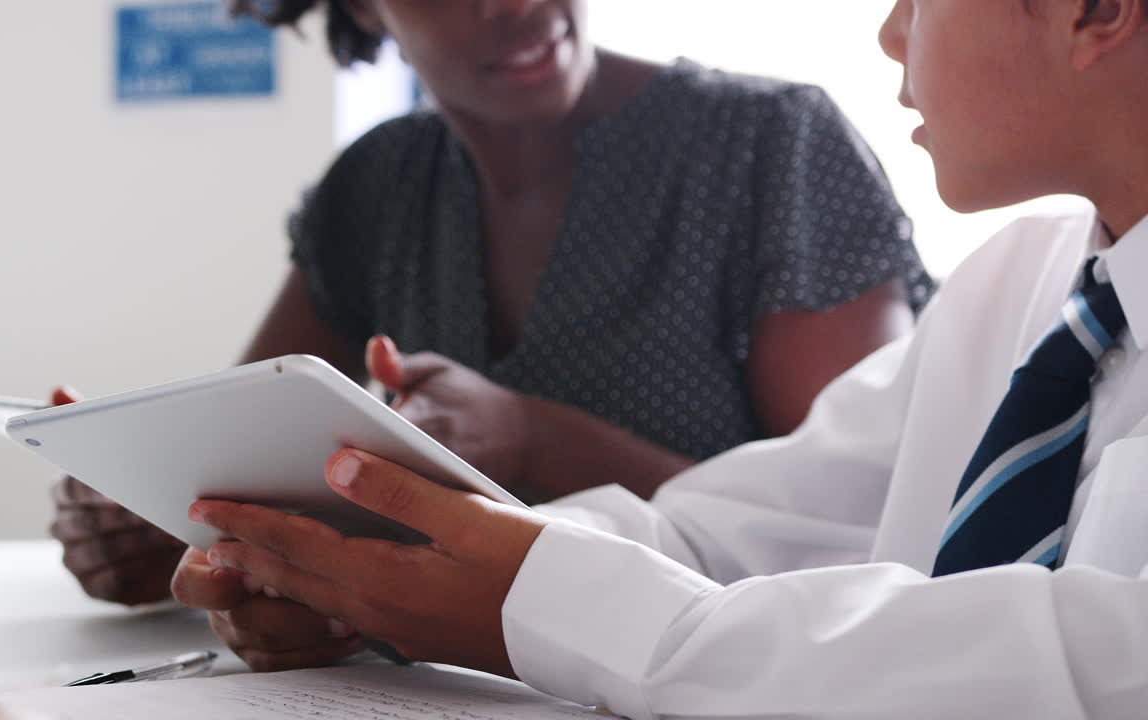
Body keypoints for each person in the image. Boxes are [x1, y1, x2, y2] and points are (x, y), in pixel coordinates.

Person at [178, 0, 1148, 714]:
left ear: (1096, 11)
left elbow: (1102, 664)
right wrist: (388, 580)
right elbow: (727, 528)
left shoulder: (764, 143)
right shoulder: (1013, 287)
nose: (890, 34)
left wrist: (578, 615)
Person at [55, 0, 931, 625]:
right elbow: (238, 461)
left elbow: (867, 529)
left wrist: (532, 438)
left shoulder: (771, 147)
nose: (514, 3)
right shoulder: (375, 185)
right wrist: (171, 520)